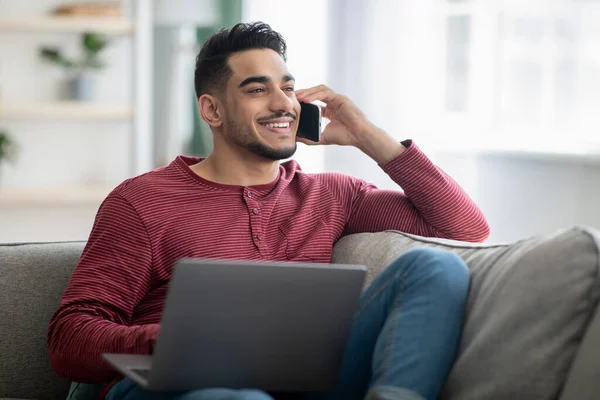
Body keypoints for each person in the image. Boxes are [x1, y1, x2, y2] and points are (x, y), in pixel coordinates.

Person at [48, 22, 489, 400]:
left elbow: (464, 229)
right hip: (182, 384)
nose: (283, 103)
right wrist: (174, 340)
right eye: (258, 89)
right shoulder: (143, 201)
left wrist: (367, 136)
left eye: (289, 88)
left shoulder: (333, 194)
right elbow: (69, 338)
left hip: (303, 375)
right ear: (213, 110)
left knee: (436, 267)